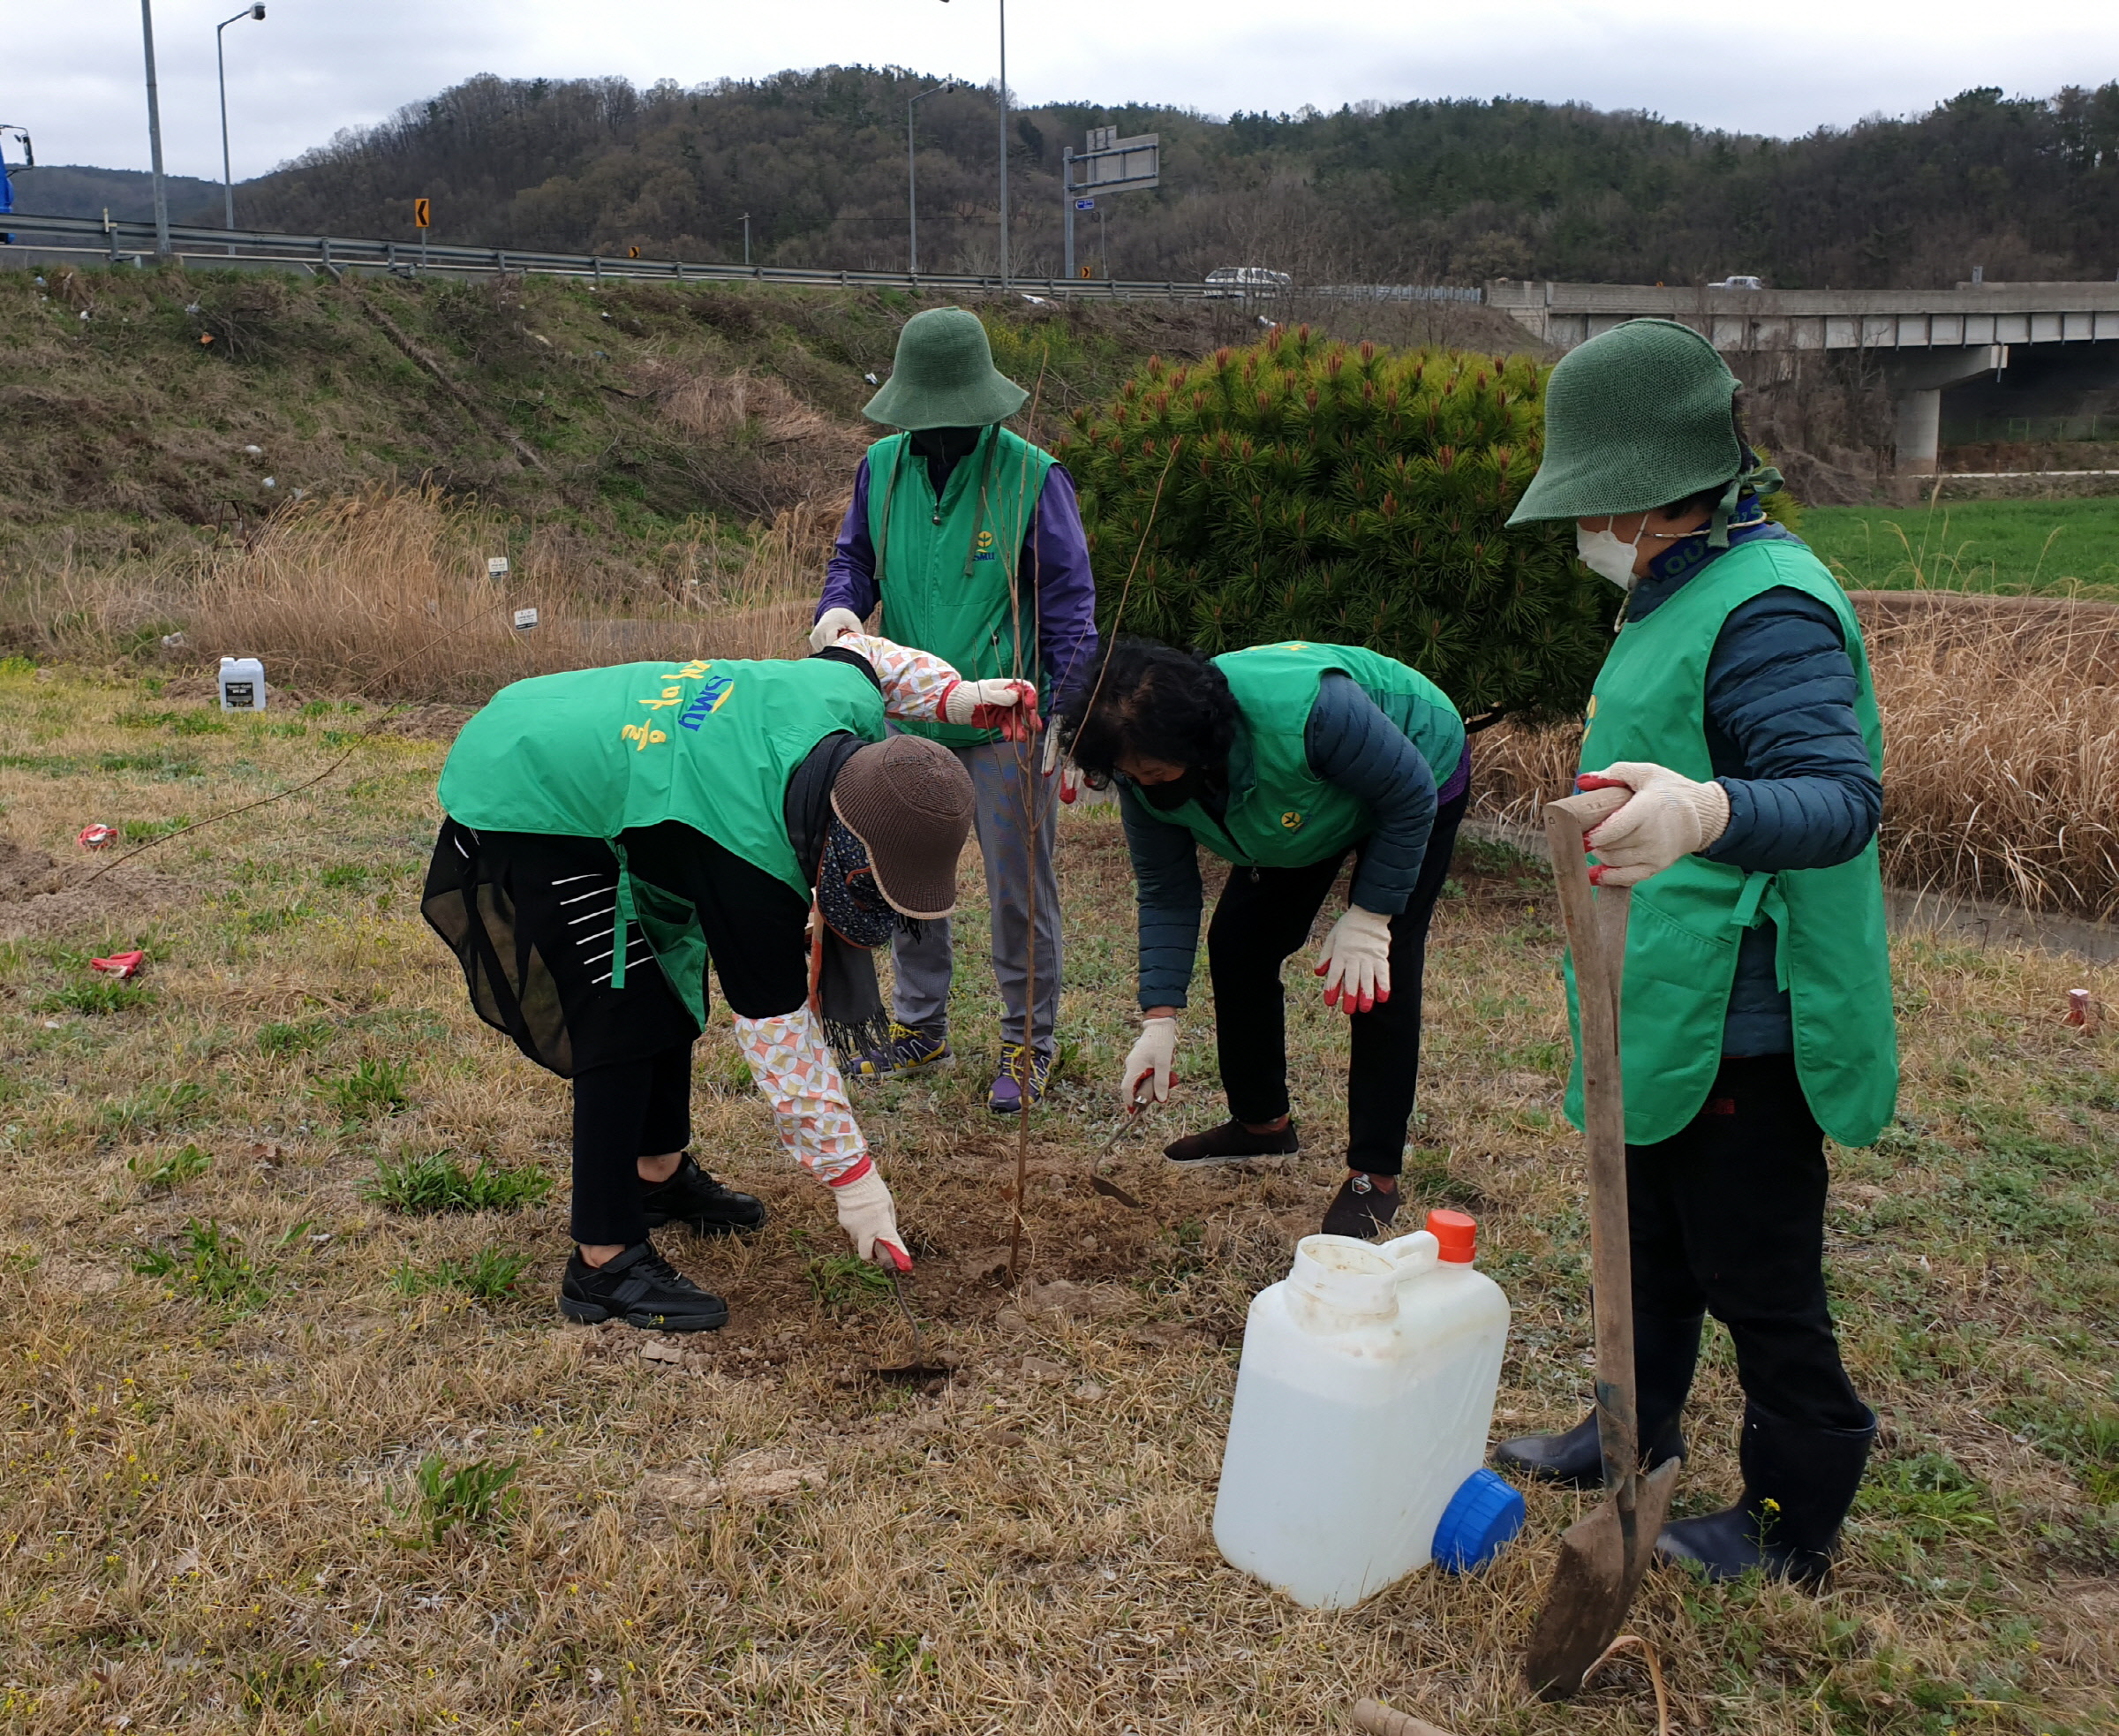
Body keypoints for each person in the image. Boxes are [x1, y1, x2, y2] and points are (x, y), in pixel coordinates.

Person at [1494, 317, 1897, 1584]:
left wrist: (1709, 811)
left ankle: (1793, 1515)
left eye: (1594, 504)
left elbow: (1840, 798)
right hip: (1664, 989)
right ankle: (1628, 1428)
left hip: (1749, 1010)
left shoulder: (1769, 605)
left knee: (1756, 1270)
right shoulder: (1679, 584)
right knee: (1651, 1237)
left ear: (1652, 493)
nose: (1586, 531)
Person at [421, 630, 1038, 1331]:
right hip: (530, 788)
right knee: (618, 1008)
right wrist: (855, 1182)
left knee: (667, 982)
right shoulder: (748, 867)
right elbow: (783, 1045)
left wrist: (956, 698)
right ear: (842, 842)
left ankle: (654, 1176)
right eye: (876, 885)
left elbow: (867, 652)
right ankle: (602, 1261)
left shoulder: (845, 703)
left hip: (607, 749)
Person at [1058, 637, 1469, 1238]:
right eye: (1127, 773)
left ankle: (1373, 1176)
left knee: (1377, 978)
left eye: (1149, 769)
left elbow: (1409, 795)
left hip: (1416, 772)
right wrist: (1160, 1018)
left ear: (1198, 744)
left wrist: (1371, 917)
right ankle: (1262, 1126)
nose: (1140, 782)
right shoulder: (1140, 770)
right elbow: (1167, 891)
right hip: (1302, 802)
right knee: (1240, 942)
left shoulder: (1313, 714)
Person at [811, 306, 1098, 1113]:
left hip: (1006, 720)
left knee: (1019, 888)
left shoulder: (1034, 479)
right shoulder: (883, 469)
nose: (938, 439)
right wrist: (840, 612)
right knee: (907, 877)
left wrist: (1065, 717)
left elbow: (1072, 609)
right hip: (907, 719)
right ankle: (920, 1024)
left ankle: (1026, 1040)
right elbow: (853, 562)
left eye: (955, 425)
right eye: (924, 425)